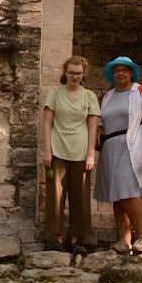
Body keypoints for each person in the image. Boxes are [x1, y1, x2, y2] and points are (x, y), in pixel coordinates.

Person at [94, 55, 142, 255]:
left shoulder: (141, 92)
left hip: (131, 145)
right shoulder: (108, 96)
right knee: (116, 194)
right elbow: (103, 119)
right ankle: (124, 240)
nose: (120, 73)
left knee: (129, 190)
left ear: (131, 73)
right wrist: (98, 128)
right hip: (110, 147)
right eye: (117, 70)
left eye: (124, 70)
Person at [42, 55, 100, 254]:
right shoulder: (54, 93)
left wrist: (91, 154)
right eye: (71, 72)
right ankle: (57, 238)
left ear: (84, 74)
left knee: (80, 197)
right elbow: (47, 123)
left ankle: (75, 239)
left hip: (81, 152)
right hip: (57, 150)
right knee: (55, 196)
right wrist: (47, 150)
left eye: (78, 73)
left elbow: (92, 127)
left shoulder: (89, 96)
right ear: (65, 73)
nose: (75, 76)